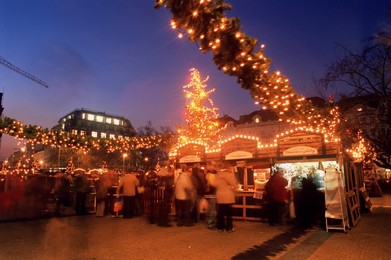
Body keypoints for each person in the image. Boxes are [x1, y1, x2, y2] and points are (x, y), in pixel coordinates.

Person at [212, 161, 238, 232]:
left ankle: (220, 227)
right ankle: (229, 228)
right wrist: (230, 187)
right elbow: (235, 184)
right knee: (229, 214)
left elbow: (214, 184)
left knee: (220, 213)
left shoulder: (217, 175)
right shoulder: (229, 175)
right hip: (228, 197)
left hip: (220, 196)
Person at [156, 161, 175, 227]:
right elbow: (169, 175)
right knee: (164, 206)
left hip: (163, 192)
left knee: (162, 206)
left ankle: (162, 220)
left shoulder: (161, 176)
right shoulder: (165, 175)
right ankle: (164, 221)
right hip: (165, 192)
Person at [204, 161, 218, 229]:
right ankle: (211, 224)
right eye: (214, 166)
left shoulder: (208, 174)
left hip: (210, 194)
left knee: (211, 209)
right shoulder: (211, 174)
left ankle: (211, 222)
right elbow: (213, 184)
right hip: (212, 194)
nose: (215, 167)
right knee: (212, 210)